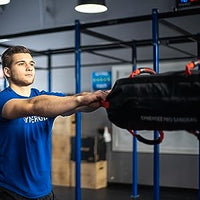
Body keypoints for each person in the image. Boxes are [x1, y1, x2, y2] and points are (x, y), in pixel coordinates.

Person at [0, 46, 109, 200]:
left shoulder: (47, 97)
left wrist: (105, 97)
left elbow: (79, 102)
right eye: (21, 64)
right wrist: (80, 99)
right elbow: (33, 105)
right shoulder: (4, 100)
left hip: (45, 191)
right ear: (7, 72)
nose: (29, 67)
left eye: (31, 64)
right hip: (12, 192)